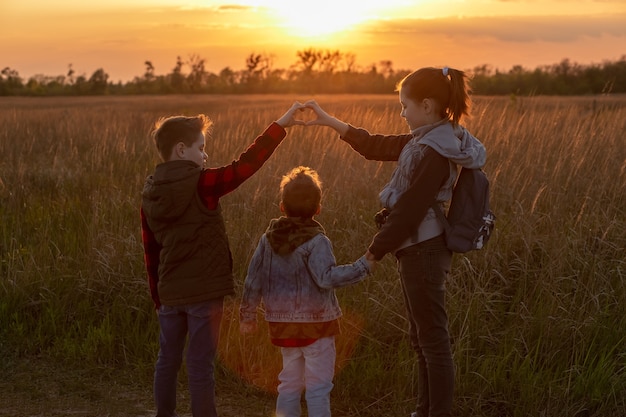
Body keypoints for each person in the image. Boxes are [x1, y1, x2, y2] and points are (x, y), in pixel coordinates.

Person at [304, 67, 487, 417]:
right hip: (416, 248)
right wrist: (329, 121)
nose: (401, 113)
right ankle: (424, 410)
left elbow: (409, 210)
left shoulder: (434, 149)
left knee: (433, 341)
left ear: (428, 105)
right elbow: (376, 145)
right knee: (423, 339)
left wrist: (375, 251)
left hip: (424, 249)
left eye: (405, 106)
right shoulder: (425, 139)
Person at [140, 102, 307, 417]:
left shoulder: (150, 192)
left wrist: (158, 297)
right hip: (205, 293)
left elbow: (151, 250)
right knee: (200, 365)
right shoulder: (202, 184)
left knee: (167, 360)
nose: (204, 156)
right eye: (200, 148)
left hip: (170, 294)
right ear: (180, 150)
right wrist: (281, 125)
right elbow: (245, 166)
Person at [239, 166, 375, 417]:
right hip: (317, 327)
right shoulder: (317, 241)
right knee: (318, 387)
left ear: (282, 207)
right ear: (318, 209)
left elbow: (253, 278)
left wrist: (247, 317)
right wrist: (363, 266)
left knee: (288, 384)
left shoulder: (267, 239)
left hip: (283, 327)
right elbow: (326, 278)